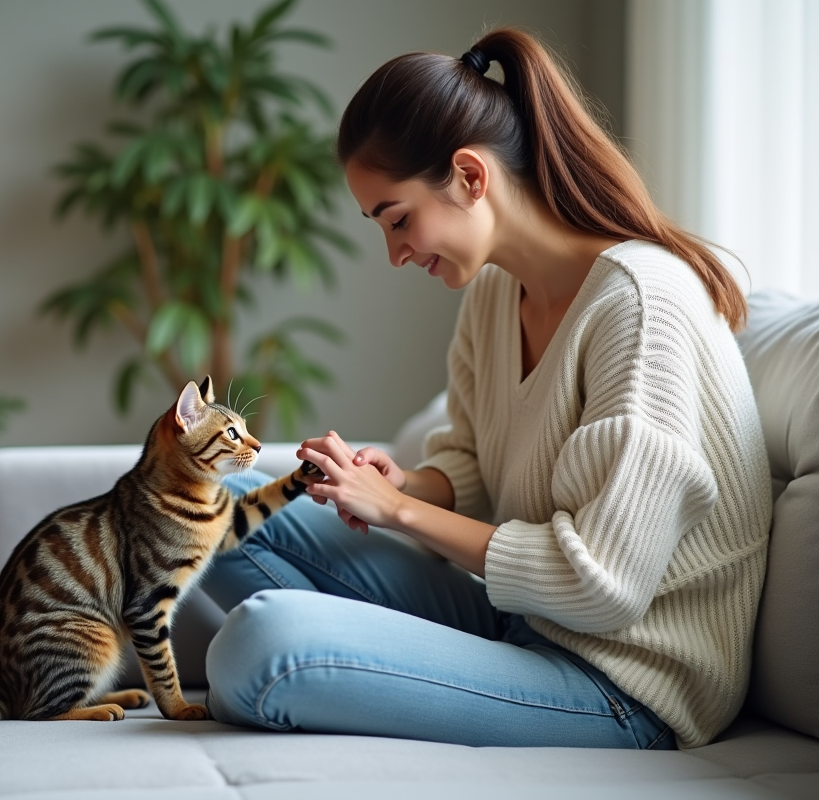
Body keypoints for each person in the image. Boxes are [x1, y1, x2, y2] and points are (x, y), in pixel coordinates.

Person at [202, 26, 772, 751]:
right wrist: (404, 482)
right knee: (201, 504)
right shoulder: (496, 294)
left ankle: (335, 662)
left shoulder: (641, 306)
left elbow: (603, 586)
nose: (395, 253)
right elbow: (472, 463)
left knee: (261, 645)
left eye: (399, 220)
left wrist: (398, 511)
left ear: (471, 176)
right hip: (523, 620)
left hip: (627, 683)